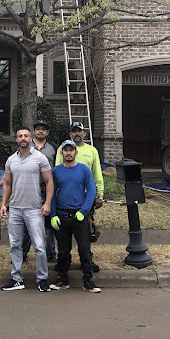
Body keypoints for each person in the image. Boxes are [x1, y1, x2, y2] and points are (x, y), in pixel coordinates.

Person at [0, 126, 54, 292]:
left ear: (30, 139)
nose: (23, 138)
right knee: (15, 245)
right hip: (15, 209)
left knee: (39, 246)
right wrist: (3, 204)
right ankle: (17, 279)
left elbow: (49, 182)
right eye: (20, 136)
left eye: (26, 136)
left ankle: (42, 279)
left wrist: (47, 203)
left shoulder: (40, 158)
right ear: (16, 139)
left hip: (34, 209)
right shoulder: (11, 160)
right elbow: (7, 183)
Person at [49, 140, 101, 293]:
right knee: (63, 251)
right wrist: (53, 215)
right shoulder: (56, 171)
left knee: (85, 250)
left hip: (79, 216)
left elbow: (91, 191)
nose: (68, 153)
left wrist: (83, 211)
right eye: (65, 150)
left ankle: (88, 281)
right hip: (62, 215)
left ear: (75, 152)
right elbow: (51, 194)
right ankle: (63, 280)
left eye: (71, 150)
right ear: (61, 153)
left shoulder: (84, 170)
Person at [55, 121, 104, 272]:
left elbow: (97, 174)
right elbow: (57, 173)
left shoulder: (92, 150)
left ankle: (87, 262)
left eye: (79, 131)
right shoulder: (62, 149)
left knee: (86, 231)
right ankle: (65, 263)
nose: (77, 133)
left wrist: (99, 195)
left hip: (86, 198)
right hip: (67, 198)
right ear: (70, 133)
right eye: (74, 131)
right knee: (64, 239)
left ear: (84, 133)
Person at [24, 119, 58, 263]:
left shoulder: (53, 148)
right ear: (34, 131)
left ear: (47, 132)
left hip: (46, 190)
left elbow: (57, 168)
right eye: (38, 129)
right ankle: (23, 253)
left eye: (43, 129)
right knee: (27, 225)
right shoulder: (26, 146)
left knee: (48, 226)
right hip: (29, 190)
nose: (40, 131)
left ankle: (51, 254)